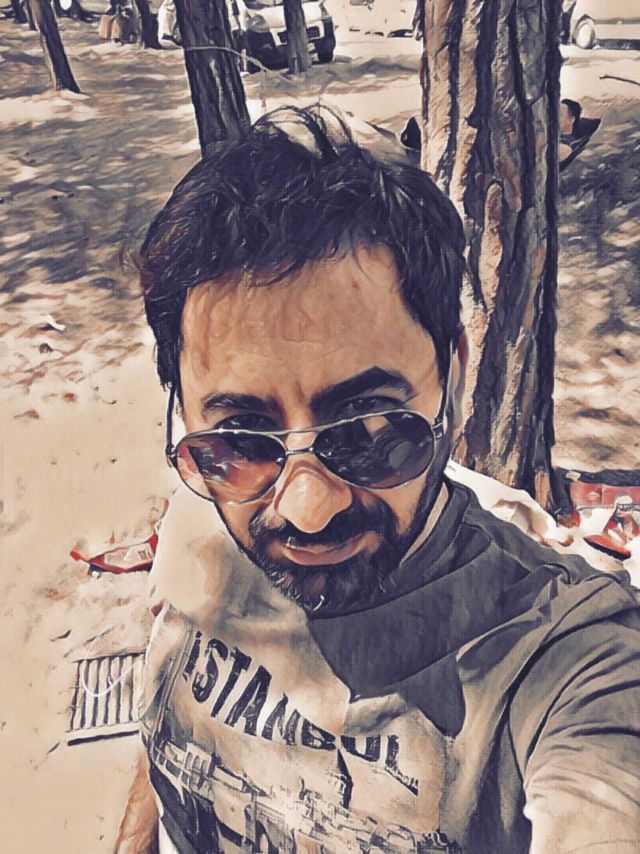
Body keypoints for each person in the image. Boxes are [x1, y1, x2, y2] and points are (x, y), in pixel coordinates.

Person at [115, 105, 640, 854]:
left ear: (453, 374)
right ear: (184, 415)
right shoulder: (201, 505)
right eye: (242, 436)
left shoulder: (568, 658)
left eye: (369, 428)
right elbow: (167, 720)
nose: (306, 509)